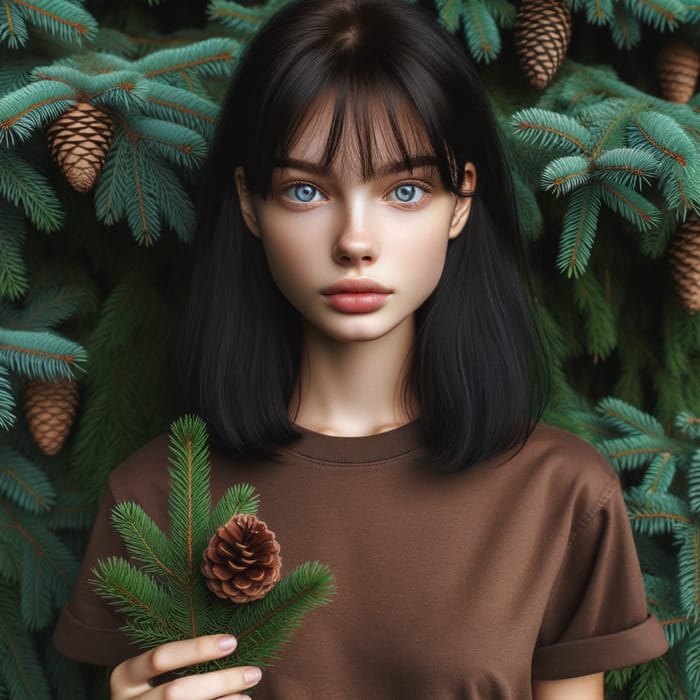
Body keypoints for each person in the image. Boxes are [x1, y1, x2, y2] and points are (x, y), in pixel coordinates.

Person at [52, 0, 669, 697]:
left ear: (461, 201)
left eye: (405, 190)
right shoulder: (155, 498)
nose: (355, 241)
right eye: (307, 190)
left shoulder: (561, 495)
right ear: (251, 204)